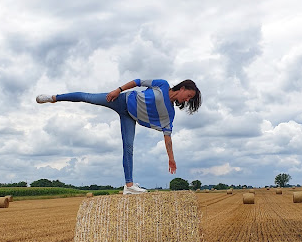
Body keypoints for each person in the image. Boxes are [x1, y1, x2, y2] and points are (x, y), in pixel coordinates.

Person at [36, 79, 201, 194]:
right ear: (183, 87)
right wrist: (118, 90)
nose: (187, 100)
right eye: (188, 95)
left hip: (129, 117)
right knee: (87, 97)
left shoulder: (169, 113)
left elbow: (168, 138)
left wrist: (171, 158)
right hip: (121, 99)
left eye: (190, 99)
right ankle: (53, 98)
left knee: (128, 147)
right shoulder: (162, 85)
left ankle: (129, 185)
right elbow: (137, 82)